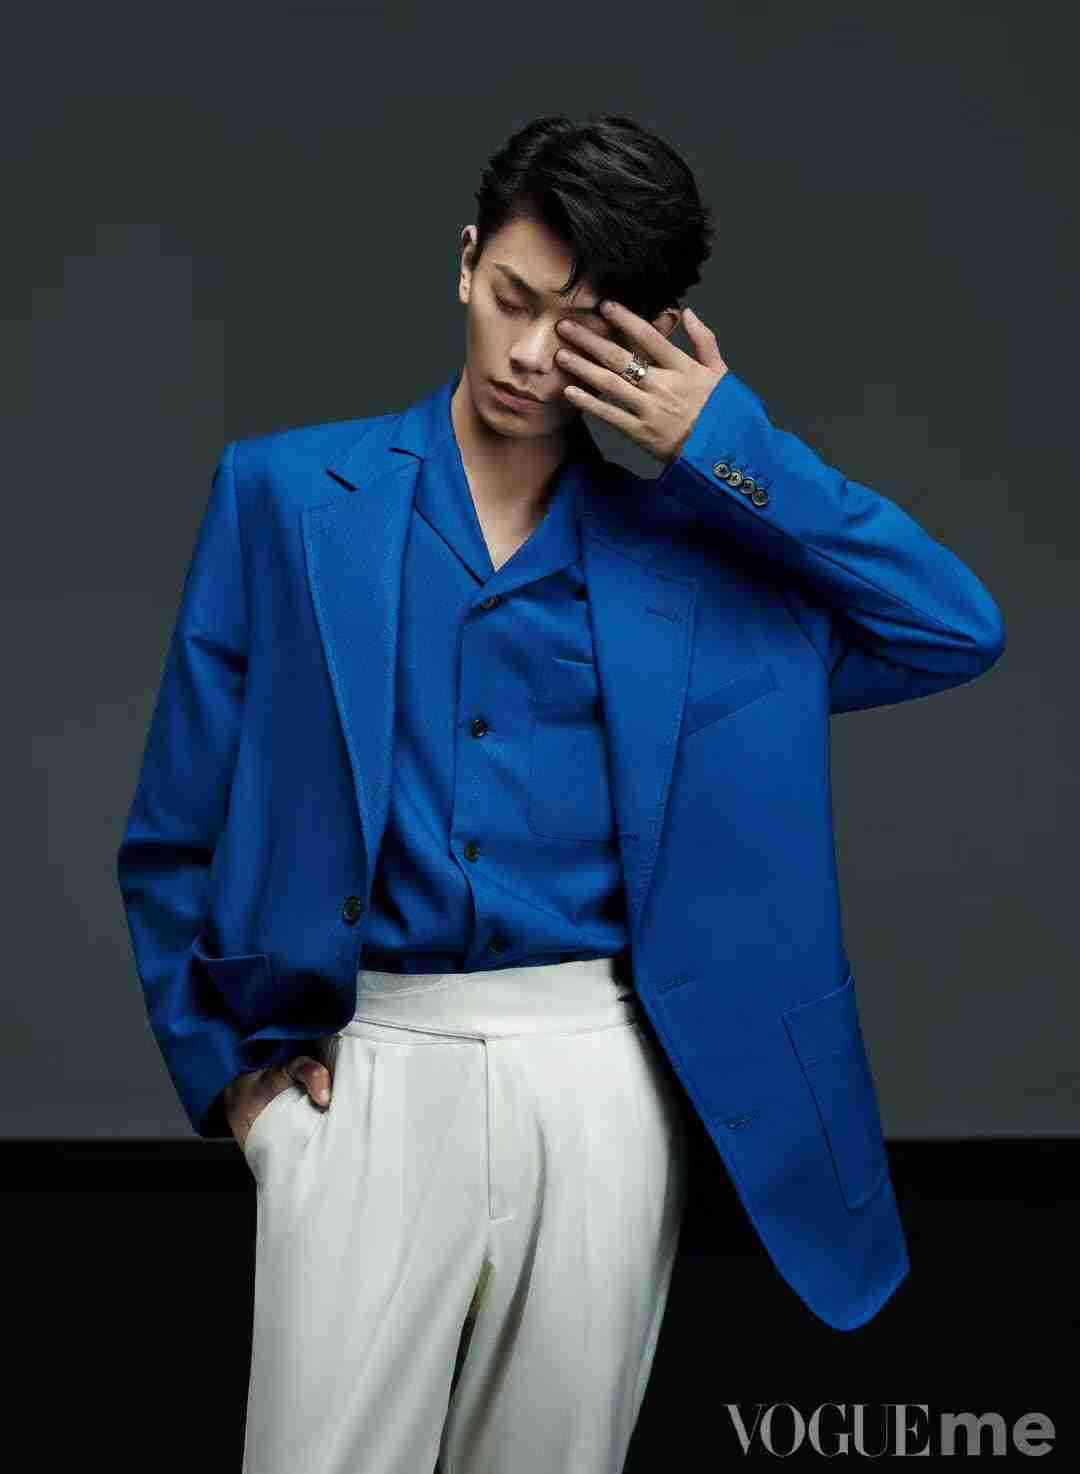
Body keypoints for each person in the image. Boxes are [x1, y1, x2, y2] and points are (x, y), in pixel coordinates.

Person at [116, 113, 1006, 1473]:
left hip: (600, 1078)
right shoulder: (285, 499)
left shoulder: (701, 565)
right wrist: (240, 1090)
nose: (531, 354)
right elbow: (173, 831)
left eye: (581, 328)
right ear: (467, 260)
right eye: (513, 299)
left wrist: (731, 443)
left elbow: (953, 625)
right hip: (363, 1069)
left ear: (648, 337)